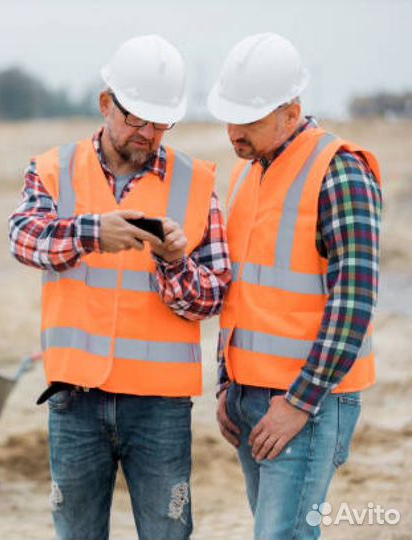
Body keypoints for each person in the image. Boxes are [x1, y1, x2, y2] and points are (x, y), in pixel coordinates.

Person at [8, 34, 231, 540]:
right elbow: (22, 239)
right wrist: (92, 232)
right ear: (106, 103)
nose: (148, 133)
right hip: (75, 398)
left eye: (160, 122)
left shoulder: (196, 183)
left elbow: (214, 295)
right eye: (135, 117)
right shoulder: (53, 170)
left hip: (159, 406)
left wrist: (174, 263)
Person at [207, 33, 382, 540]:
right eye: (229, 116)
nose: (234, 132)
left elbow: (354, 300)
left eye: (249, 120)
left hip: (308, 401)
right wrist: (227, 383)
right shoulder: (250, 172)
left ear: (291, 112)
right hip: (251, 399)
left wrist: (299, 402)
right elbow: (245, 292)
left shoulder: (339, 171)